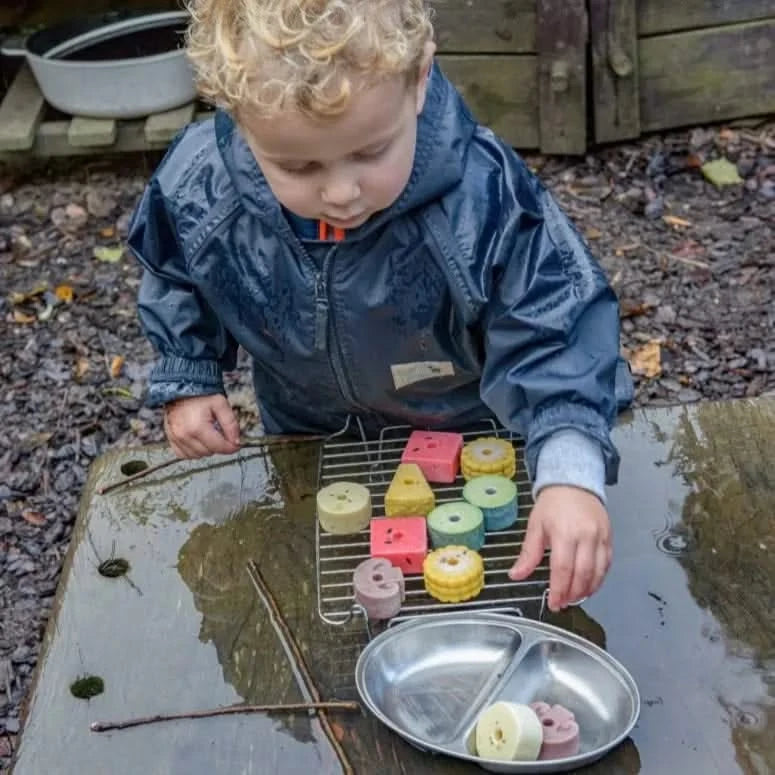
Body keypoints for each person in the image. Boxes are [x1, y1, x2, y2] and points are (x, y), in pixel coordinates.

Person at [128, 0, 633, 612]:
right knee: (330, 594)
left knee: (484, 591)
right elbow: (177, 266)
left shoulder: (483, 197)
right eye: (298, 166)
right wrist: (191, 373)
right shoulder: (202, 183)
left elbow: (553, 323)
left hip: (472, 435)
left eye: (371, 153)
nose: (341, 193)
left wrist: (569, 469)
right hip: (311, 433)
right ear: (235, 117)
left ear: (419, 81)